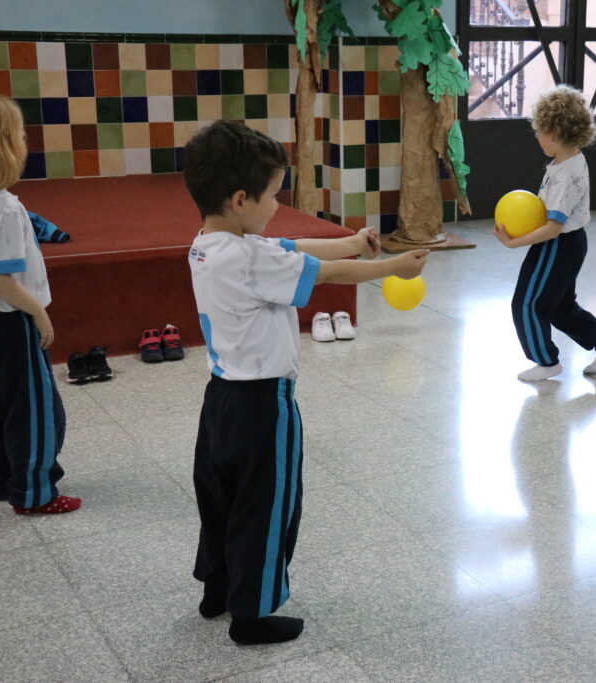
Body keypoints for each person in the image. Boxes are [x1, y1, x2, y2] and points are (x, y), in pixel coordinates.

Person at [182, 120, 427, 646]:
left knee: (220, 500)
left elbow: (291, 246)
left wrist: (352, 242)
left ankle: (218, 589)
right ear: (241, 198)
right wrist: (392, 266)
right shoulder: (251, 257)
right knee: (269, 507)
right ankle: (254, 613)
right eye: (273, 195)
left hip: (219, 400)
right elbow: (324, 275)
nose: (277, 205)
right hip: (264, 406)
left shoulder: (206, 245)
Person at [0, 89, 80, 515]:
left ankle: (2, 480)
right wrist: (38, 311)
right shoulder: (4, 209)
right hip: (12, 323)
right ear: (2, 148)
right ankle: (34, 492)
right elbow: (0, 278)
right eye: (20, 135)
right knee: (37, 411)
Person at [493, 85, 596, 381]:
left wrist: (514, 242)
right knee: (560, 305)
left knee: (527, 303)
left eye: (539, 131)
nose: (537, 137)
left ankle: (546, 361)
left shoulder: (565, 175)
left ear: (554, 133)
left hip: (558, 245)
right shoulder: (570, 161)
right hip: (572, 243)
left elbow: (552, 228)